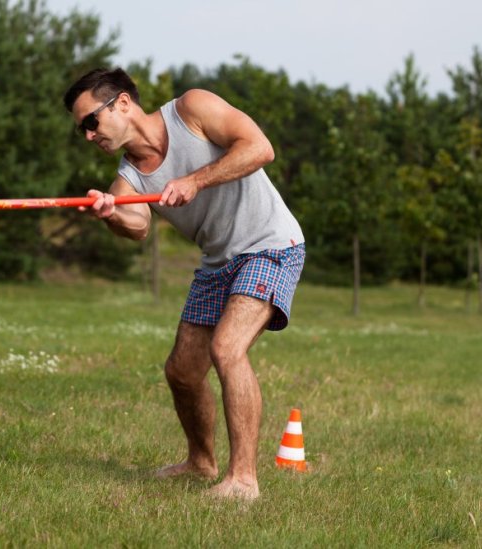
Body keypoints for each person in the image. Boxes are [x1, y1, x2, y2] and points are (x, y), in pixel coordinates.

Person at [63, 68, 305, 500]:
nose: (87, 135)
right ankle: (200, 463)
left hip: (270, 243)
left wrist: (196, 179)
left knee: (227, 349)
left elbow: (259, 148)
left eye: (90, 122)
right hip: (218, 262)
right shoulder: (130, 175)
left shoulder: (191, 110)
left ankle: (244, 481)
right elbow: (137, 226)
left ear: (121, 103)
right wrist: (110, 210)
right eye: (82, 128)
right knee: (182, 372)